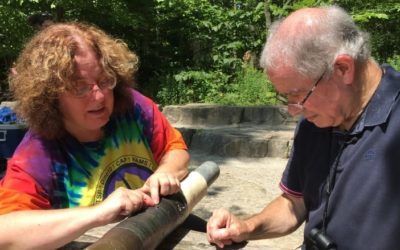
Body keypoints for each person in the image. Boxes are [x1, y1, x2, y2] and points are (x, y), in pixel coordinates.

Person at [207, 5, 400, 250]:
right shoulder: (315, 120)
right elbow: (294, 203)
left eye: (297, 95)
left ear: (343, 69)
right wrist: (246, 227)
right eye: (285, 98)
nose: (292, 109)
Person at [0, 22, 189, 249]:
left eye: (104, 80)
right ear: (50, 95)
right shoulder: (36, 155)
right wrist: (97, 213)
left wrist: (166, 172)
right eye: (80, 87)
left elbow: (175, 149)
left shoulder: (134, 106)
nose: (99, 96)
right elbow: (6, 233)